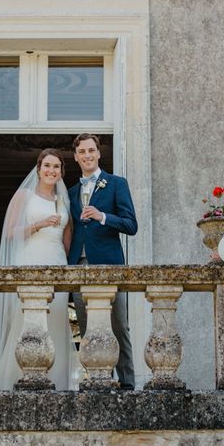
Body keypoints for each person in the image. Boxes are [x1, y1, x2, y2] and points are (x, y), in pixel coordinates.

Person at [0, 148, 75, 390]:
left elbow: (68, 238)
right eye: (47, 165)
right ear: (38, 169)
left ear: (61, 172)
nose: (51, 170)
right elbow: (10, 232)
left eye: (56, 166)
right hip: (30, 259)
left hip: (57, 261)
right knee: (27, 320)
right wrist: (39, 224)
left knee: (56, 318)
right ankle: (14, 380)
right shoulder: (24, 196)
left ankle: (58, 381)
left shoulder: (63, 200)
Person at [68, 133, 138, 390]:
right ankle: (98, 381)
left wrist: (102, 216)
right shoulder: (72, 191)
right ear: (76, 157)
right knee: (87, 330)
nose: (87, 155)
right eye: (82, 152)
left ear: (99, 153)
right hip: (79, 267)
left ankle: (128, 384)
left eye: (91, 150)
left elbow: (131, 225)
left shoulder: (117, 184)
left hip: (109, 265)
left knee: (119, 326)